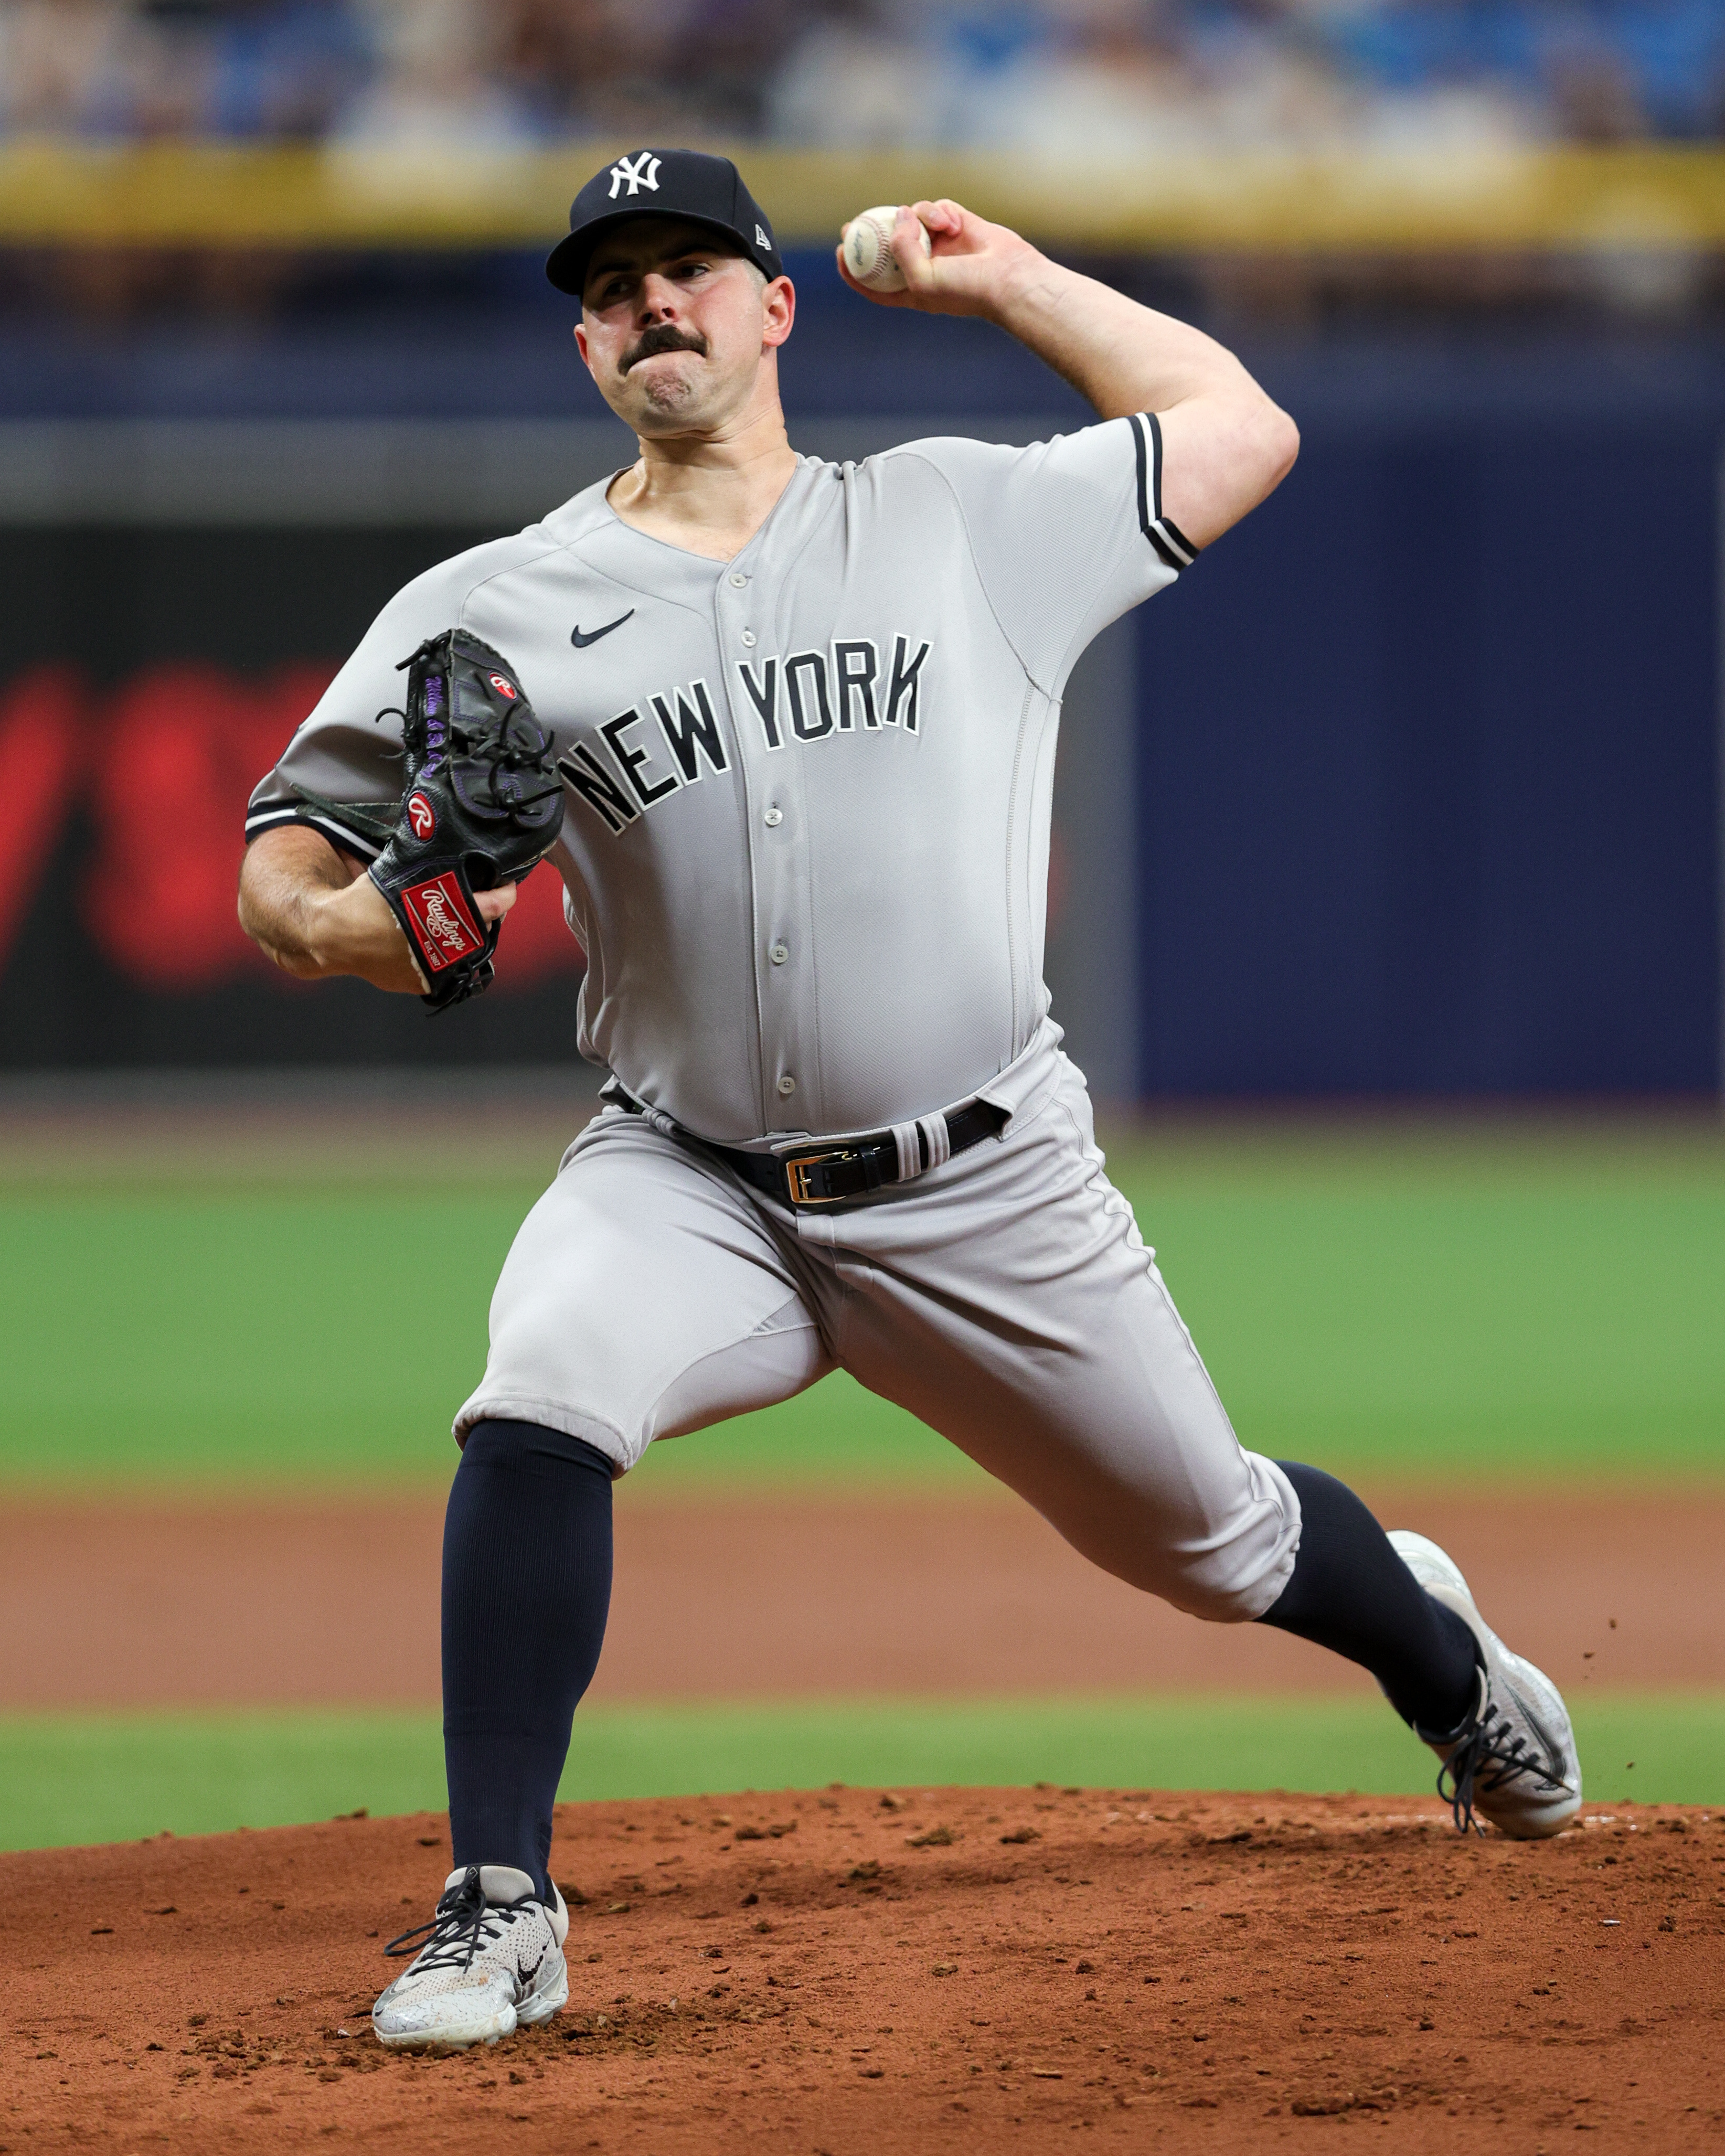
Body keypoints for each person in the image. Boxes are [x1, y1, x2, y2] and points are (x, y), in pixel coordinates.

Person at [238, 150, 1581, 2053]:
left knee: (1218, 1544)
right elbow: (281, 868)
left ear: (776, 308)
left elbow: (1240, 423)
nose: (653, 305)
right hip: (688, 1176)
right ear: (583, 340)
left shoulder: (963, 518)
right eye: (613, 284)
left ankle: (1447, 1669)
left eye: (690, 267)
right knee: (540, 1386)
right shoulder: (492, 608)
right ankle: (502, 1905)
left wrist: (1013, 275)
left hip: (984, 1178)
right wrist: (375, 924)